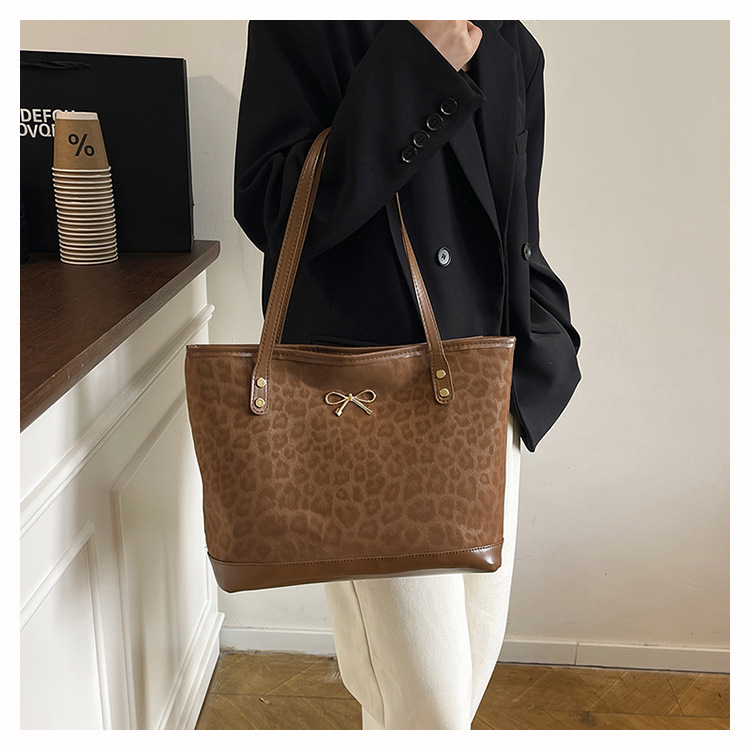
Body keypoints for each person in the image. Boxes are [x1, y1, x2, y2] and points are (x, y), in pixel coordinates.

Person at [234, 20, 581, 730]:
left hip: (489, 400)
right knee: (430, 705)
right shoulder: (309, 22)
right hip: (364, 406)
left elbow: (518, 226)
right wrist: (417, 66)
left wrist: (546, 333)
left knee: (451, 690)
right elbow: (273, 205)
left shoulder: (511, 42)